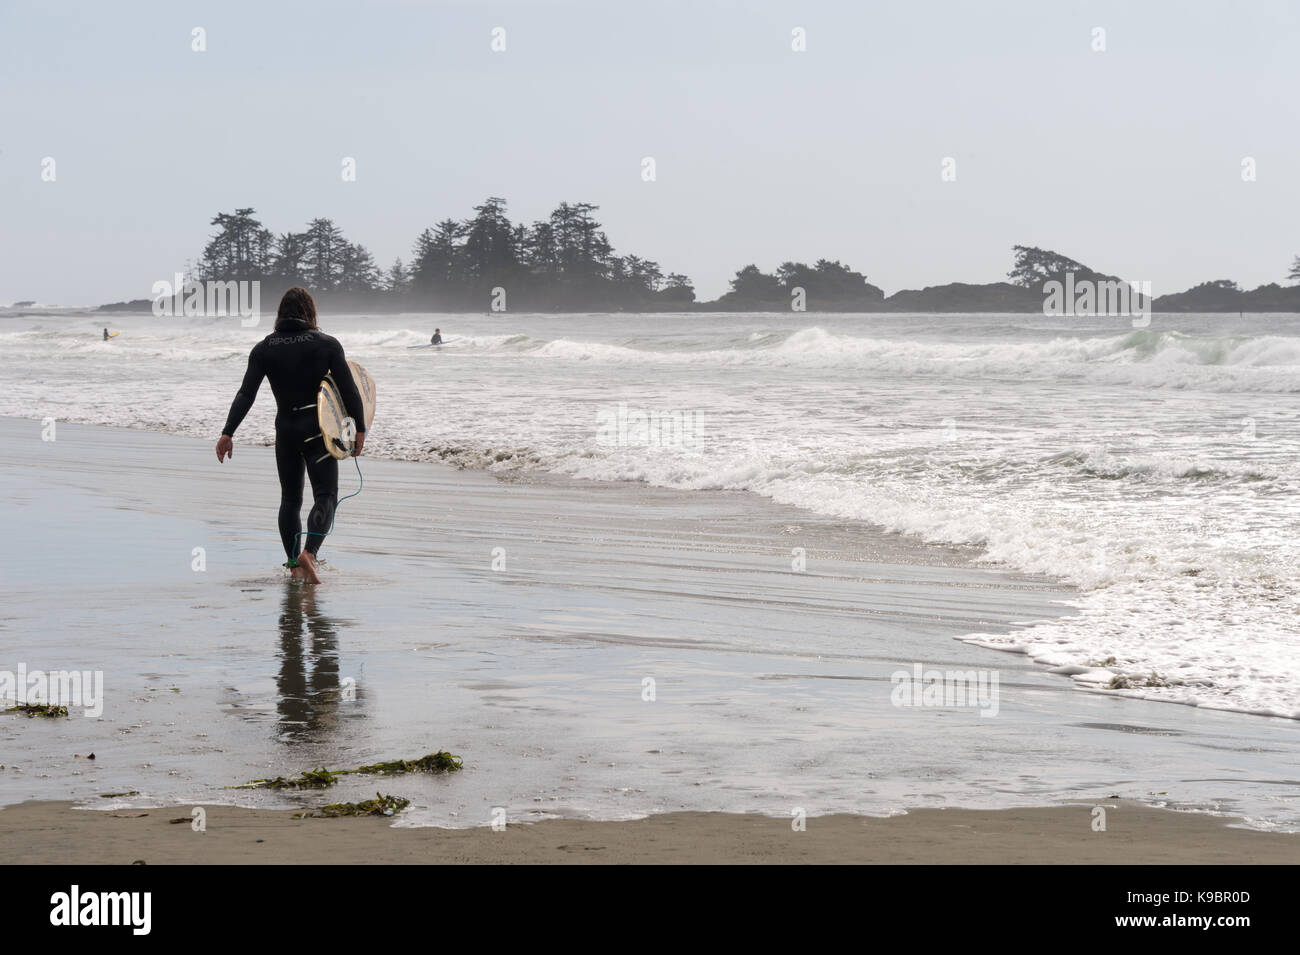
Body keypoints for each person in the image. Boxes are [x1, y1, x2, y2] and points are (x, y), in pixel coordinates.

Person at [215, 287, 366, 584]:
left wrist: (227, 431)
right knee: (326, 495)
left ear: (280, 313)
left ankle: (294, 564)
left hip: (285, 430)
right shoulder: (327, 345)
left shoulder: (263, 349)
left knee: (290, 499)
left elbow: (246, 393)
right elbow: (349, 391)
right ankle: (309, 553)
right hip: (317, 432)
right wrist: (359, 428)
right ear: (310, 312)